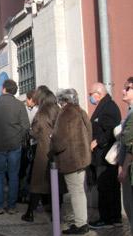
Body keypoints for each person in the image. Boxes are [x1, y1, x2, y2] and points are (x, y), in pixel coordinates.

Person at [0, 79, 30, 214]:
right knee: (13, 175)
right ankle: (11, 206)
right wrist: (18, 138)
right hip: (15, 145)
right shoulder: (19, 105)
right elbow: (26, 126)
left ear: (3, 89)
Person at [51, 88, 92, 235]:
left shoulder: (65, 113)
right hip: (82, 157)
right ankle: (80, 222)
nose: (60, 104)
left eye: (60, 101)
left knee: (74, 192)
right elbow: (89, 133)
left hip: (70, 158)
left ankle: (80, 224)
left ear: (64, 101)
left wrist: (52, 144)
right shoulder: (81, 111)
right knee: (79, 190)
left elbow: (59, 139)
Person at [21, 88, 59, 222]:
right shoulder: (57, 109)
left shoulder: (42, 112)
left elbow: (36, 132)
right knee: (55, 183)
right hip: (57, 150)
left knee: (37, 183)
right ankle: (56, 214)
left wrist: (30, 132)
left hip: (43, 150)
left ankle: (30, 213)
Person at [88, 82, 122, 229]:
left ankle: (107, 219)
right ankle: (114, 218)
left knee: (106, 187)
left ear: (98, 93)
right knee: (109, 187)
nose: (90, 97)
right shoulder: (104, 105)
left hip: (105, 155)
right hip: (103, 155)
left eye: (91, 94)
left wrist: (97, 141)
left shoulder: (108, 107)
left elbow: (111, 130)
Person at [118, 77, 133, 231]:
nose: (123, 91)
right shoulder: (129, 112)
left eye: (127, 88)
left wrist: (125, 167)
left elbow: (132, 144)